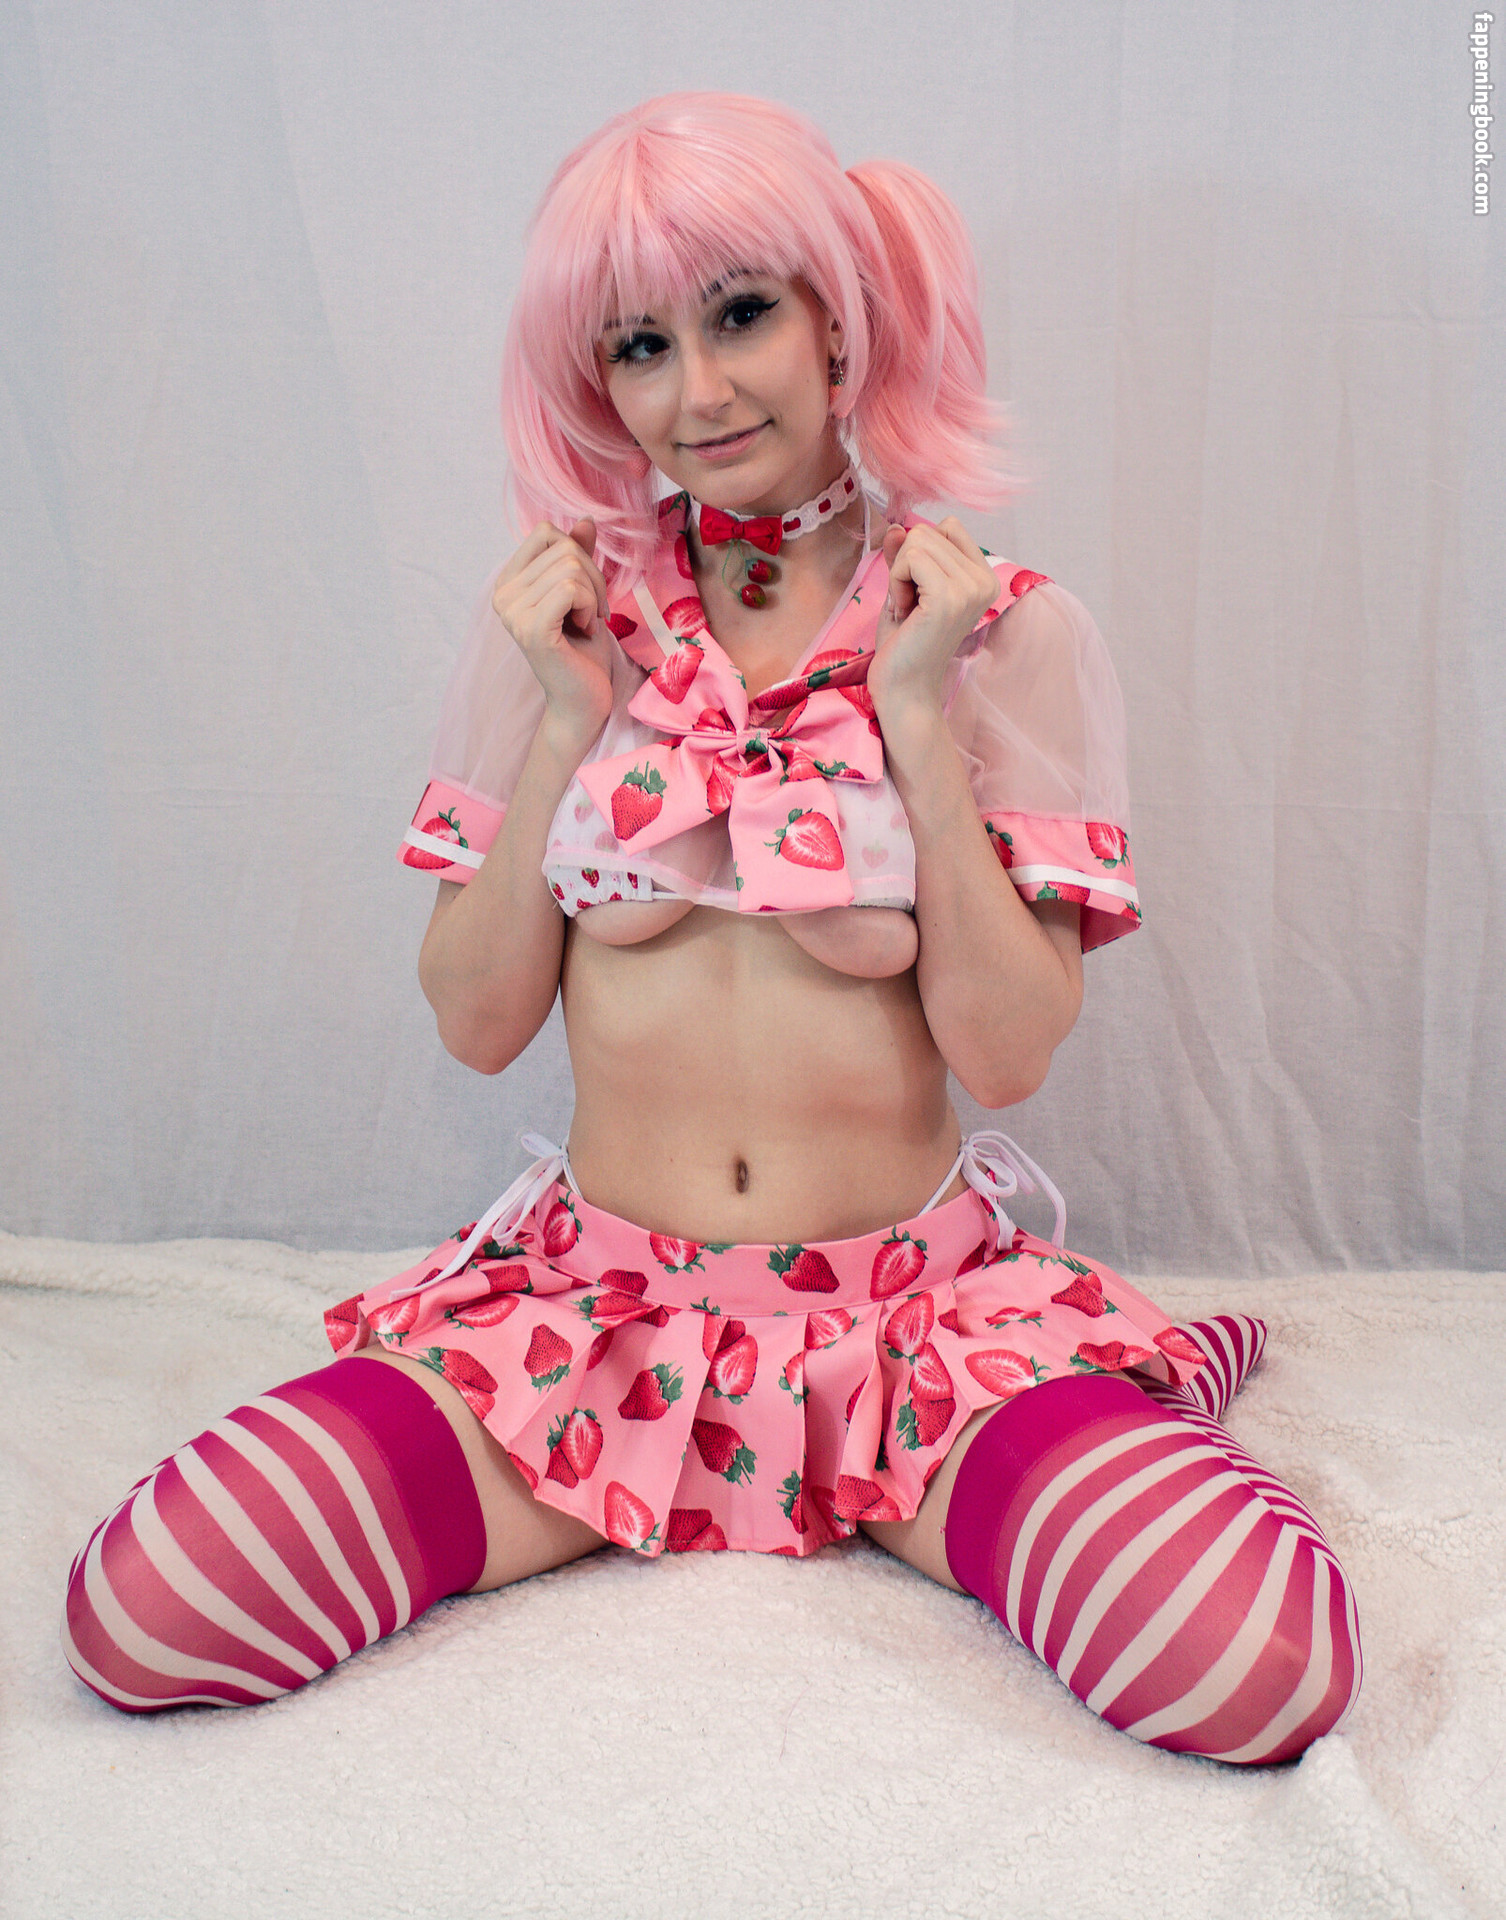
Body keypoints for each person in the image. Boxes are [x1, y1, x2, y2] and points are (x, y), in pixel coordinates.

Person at [60, 92, 1361, 1765]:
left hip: (912, 1346)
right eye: (640, 346)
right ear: (593, 379)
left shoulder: (997, 634)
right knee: (145, 1616)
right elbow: (475, 1023)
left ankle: (1097, 1405)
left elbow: (1006, 1058)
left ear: (840, 319)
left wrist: (913, 721)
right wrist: (561, 723)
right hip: (586, 1335)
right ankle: (634, 1473)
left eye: (740, 314)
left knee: (1254, 1671)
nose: (700, 390)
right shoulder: (557, 623)